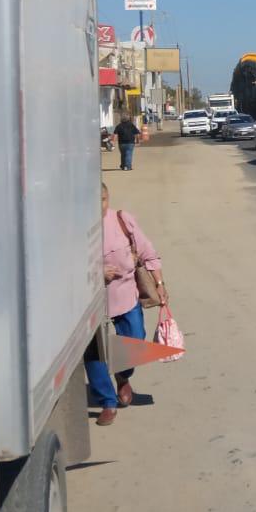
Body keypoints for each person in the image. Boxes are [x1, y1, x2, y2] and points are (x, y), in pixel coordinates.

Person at [86, 182, 165, 426]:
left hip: (126, 296)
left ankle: (123, 375)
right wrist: (96, 271)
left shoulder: (121, 220)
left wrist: (159, 283)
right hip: (90, 304)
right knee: (95, 353)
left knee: (134, 341)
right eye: (93, 201)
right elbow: (60, 265)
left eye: (103, 200)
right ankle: (107, 402)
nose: (99, 206)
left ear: (108, 199)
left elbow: (147, 252)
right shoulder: (72, 228)